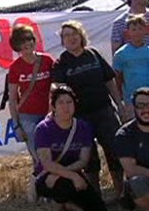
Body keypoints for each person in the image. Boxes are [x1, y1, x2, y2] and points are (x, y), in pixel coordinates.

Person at [52, 20, 125, 198]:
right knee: (88, 158)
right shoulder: (61, 62)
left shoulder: (93, 54)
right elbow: (59, 92)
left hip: (104, 111)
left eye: (74, 34)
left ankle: (121, 193)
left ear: (81, 35)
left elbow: (109, 80)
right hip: (79, 117)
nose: (71, 38)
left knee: (114, 151)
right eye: (66, 36)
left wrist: (119, 103)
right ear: (62, 41)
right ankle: (95, 197)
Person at [34, 86, 109, 211]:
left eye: (69, 102)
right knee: (63, 187)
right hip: (47, 176)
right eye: (61, 103)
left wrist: (70, 175)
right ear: (53, 106)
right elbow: (47, 164)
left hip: (69, 172)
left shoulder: (84, 127)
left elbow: (83, 161)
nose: (65, 107)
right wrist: (72, 176)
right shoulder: (43, 129)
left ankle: (70, 206)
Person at [7, 24, 54, 201]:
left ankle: (50, 189)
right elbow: (12, 98)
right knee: (38, 155)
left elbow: (56, 85)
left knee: (51, 152)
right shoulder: (15, 67)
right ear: (17, 46)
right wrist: (16, 124)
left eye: (30, 39)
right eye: (23, 41)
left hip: (49, 114)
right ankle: (41, 190)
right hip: (27, 116)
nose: (27, 44)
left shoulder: (47, 60)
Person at [112, 14, 149, 108]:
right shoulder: (121, 54)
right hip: (131, 97)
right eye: (134, 30)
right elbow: (118, 77)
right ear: (128, 32)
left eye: (140, 29)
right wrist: (120, 98)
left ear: (145, 30)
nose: (137, 32)